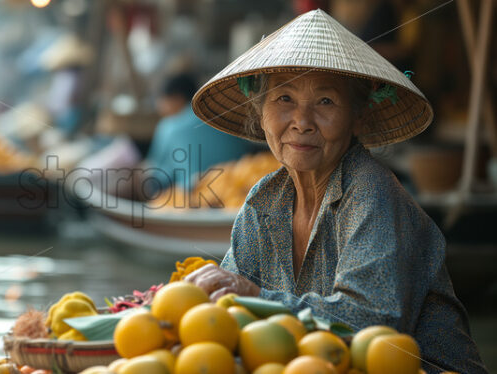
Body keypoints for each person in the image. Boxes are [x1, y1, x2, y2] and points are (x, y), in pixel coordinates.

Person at [186, 9, 486, 374]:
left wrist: (253, 296)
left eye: (325, 102)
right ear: (260, 111)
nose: (301, 122)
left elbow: (371, 329)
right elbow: (229, 307)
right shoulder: (264, 199)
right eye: (284, 99)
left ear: (358, 117)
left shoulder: (372, 192)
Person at [142, 73, 260, 197]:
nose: (160, 108)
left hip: (195, 197)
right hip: (242, 189)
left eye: (163, 101)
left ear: (177, 98)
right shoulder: (226, 118)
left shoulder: (169, 127)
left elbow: (157, 172)